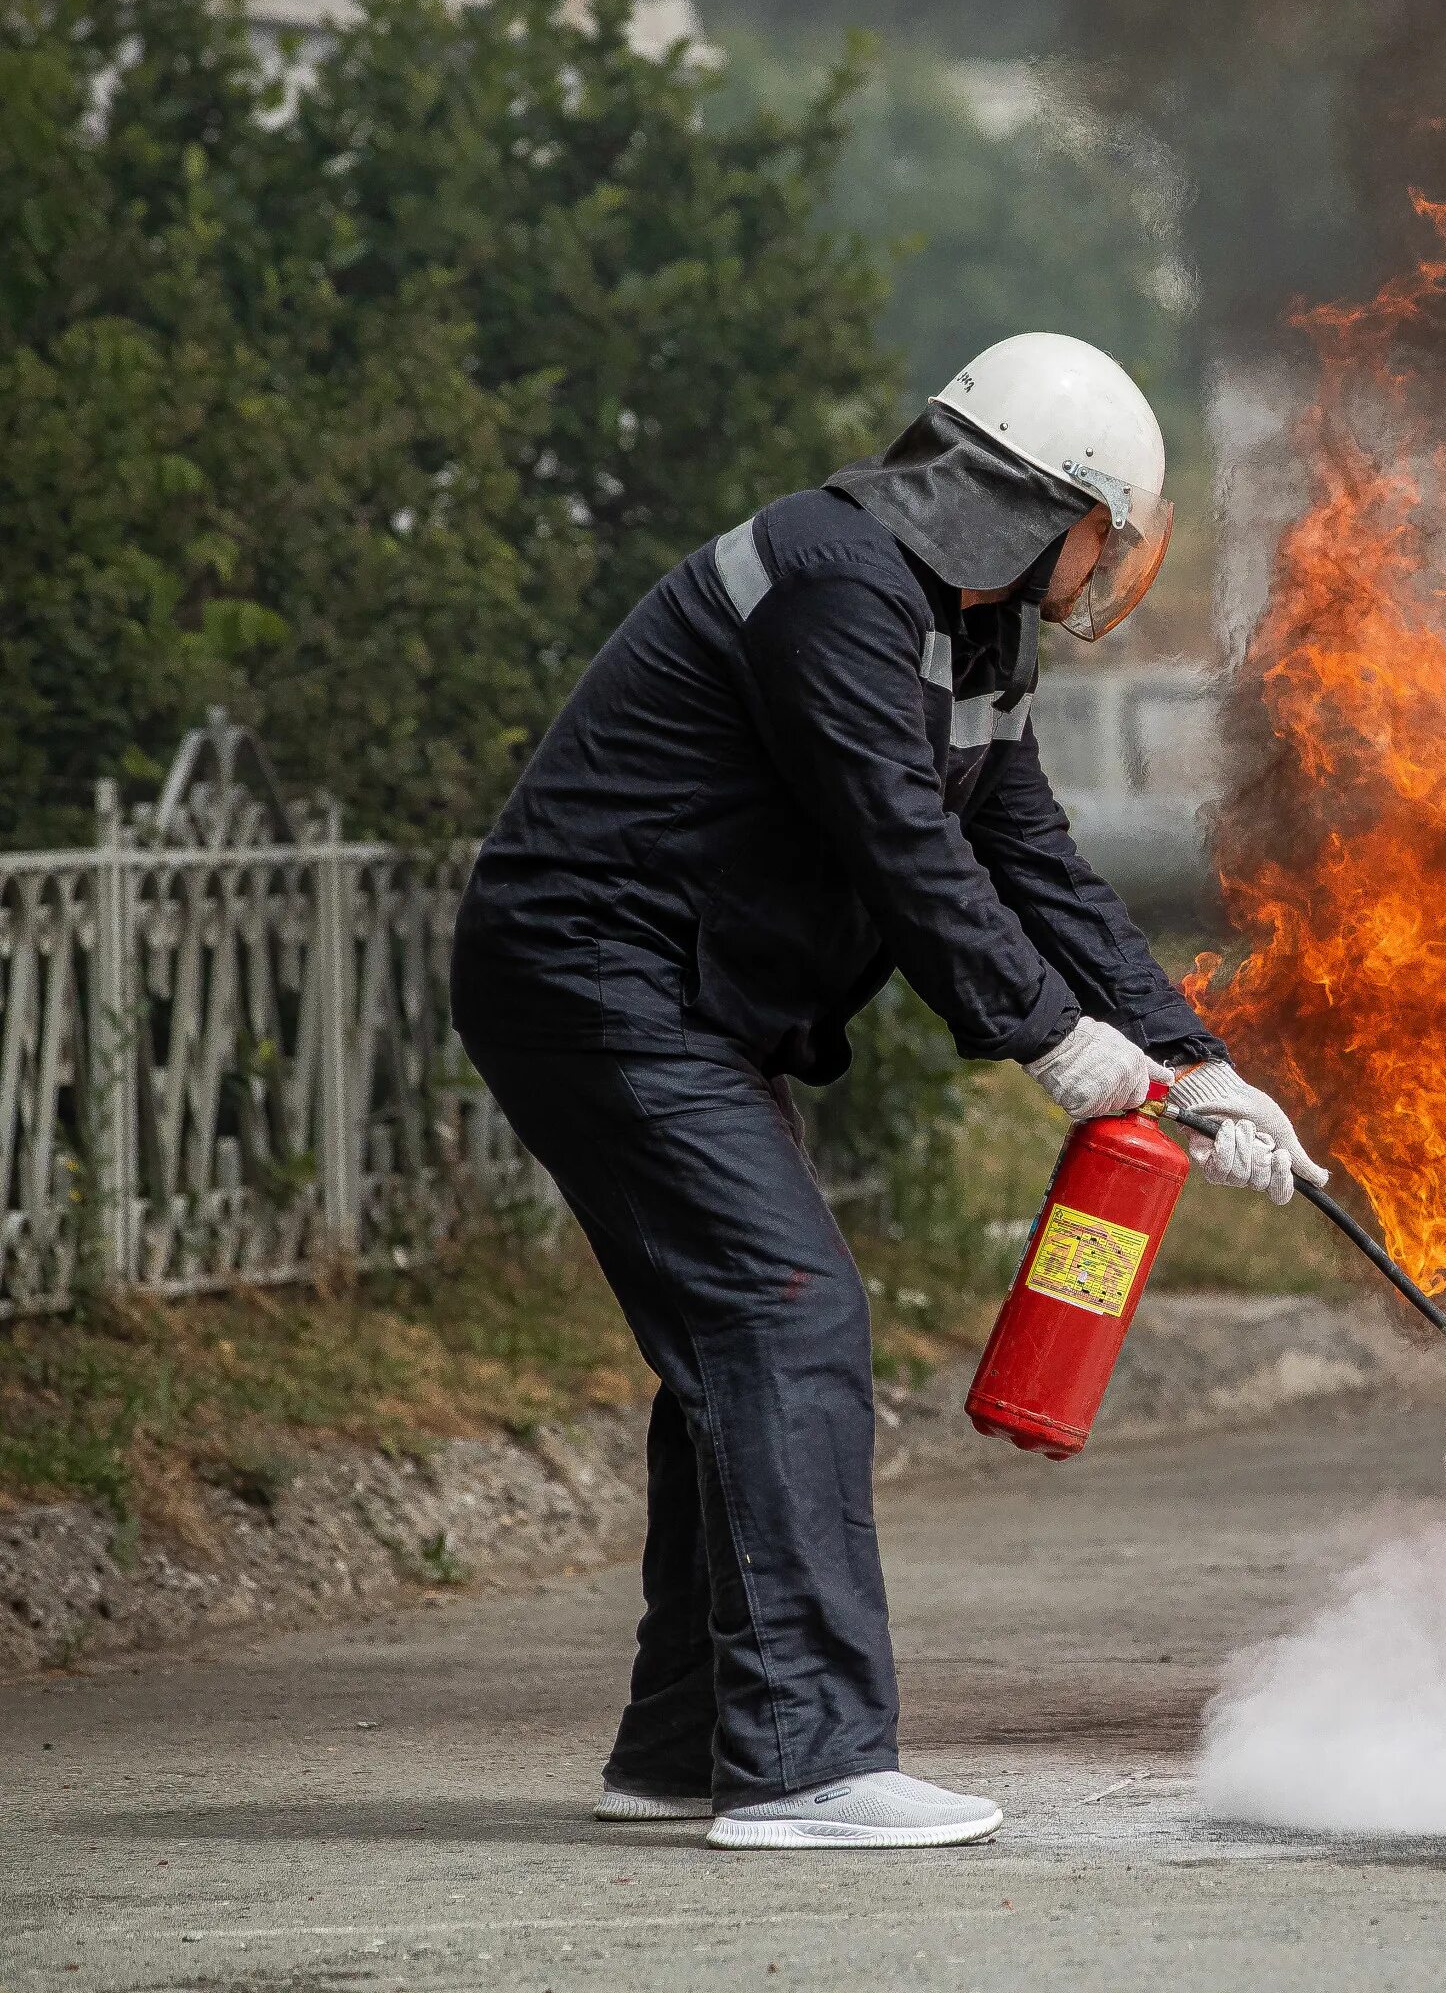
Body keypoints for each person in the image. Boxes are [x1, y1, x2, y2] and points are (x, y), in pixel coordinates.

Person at [450, 334, 1323, 1851]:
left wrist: (1196, 1061)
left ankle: (693, 1746)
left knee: (740, 1340)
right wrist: (1053, 1042)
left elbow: (1028, 857)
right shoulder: (833, 582)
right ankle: (805, 1767)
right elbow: (898, 844)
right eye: (1108, 529)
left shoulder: (978, 635)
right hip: (598, 973)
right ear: (1044, 506)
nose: (1110, 561)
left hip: (681, 999)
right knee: (787, 1312)